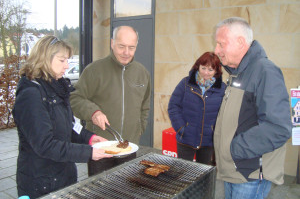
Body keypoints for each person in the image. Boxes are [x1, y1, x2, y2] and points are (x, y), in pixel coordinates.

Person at [12, 35, 112, 199]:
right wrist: (89, 153)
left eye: (68, 60)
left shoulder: (57, 88)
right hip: (41, 183)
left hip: (63, 177)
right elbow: (44, 144)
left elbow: (71, 126)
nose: (67, 65)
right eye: (62, 60)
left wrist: (90, 138)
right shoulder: (31, 94)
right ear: (44, 58)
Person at [213, 17, 292, 199]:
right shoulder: (238, 73)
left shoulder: (265, 71)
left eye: (221, 44)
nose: (216, 50)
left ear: (241, 42)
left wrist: (234, 149)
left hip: (249, 174)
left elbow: (278, 128)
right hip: (235, 169)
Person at [70, 26, 151, 176]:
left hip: (129, 146)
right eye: (121, 46)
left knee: (127, 190)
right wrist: (93, 112)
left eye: (131, 47)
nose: (126, 52)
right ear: (112, 43)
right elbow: (75, 98)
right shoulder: (94, 70)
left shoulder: (142, 73)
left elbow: (145, 106)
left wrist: (140, 128)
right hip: (101, 147)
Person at [168, 52, 226, 165]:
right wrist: (181, 128)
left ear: (216, 71)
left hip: (208, 141)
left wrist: (215, 131)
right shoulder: (185, 83)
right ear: (197, 66)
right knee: (183, 173)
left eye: (210, 69)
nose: (206, 73)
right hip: (186, 138)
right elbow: (173, 106)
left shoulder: (222, 88)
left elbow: (225, 114)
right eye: (203, 68)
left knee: (203, 175)